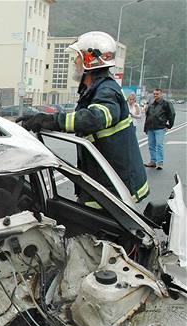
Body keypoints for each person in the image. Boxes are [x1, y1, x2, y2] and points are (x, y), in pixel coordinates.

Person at [16, 31, 149, 207]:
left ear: (89, 60)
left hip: (115, 181)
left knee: (100, 229)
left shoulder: (107, 90)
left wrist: (50, 120)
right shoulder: (94, 89)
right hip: (103, 176)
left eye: (77, 57)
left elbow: (94, 119)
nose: (74, 62)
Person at [143, 88, 175, 170]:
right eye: (154, 94)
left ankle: (160, 163)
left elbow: (172, 114)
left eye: (157, 94)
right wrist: (146, 128)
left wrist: (169, 125)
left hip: (160, 128)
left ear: (161, 94)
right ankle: (153, 161)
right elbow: (148, 116)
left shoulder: (166, 104)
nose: (155, 95)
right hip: (150, 128)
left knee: (159, 145)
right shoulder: (151, 104)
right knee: (151, 145)